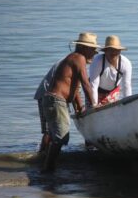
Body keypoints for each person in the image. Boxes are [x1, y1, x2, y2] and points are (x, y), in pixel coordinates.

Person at [41, 32, 99, 172]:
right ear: (84, 48)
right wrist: (94, 105)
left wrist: (79, 108)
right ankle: (48, 170)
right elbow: (86, 84)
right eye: (92, 50)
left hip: (53, 100)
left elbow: (74, 88)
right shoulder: (78, 58)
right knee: (60, 138)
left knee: (57, 136)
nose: (94, 53)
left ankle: (47, 167)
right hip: (56, 101)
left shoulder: (73, 59)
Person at [89, 35, 132, 106]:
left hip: (113, 91)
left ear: (120, 51)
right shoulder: (97, 61)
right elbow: (93, 85)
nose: (113, 53)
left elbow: (126, 85)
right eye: (110, 50)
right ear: (105, 51)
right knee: (93, 109)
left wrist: (129, 104)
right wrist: (94, 105)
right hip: (96, 90)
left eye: (116, 50)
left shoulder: (126, 63)